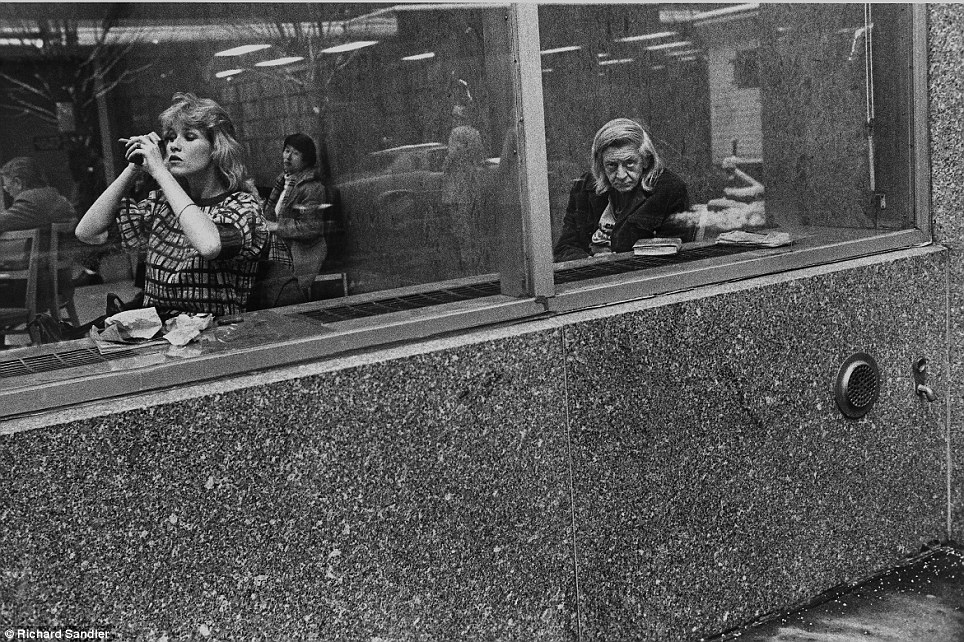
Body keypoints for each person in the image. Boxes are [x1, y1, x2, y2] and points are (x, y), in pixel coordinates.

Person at [75, 92, 267, 317]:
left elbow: (210, 246)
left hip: (216, 334)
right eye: (170, 137)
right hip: (158, 333)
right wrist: (133, 168)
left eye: (189, 136)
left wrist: (159, 171)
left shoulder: (243, 206)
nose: (174, 146)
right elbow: (86, 232)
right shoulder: (162, 204)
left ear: (217, 148)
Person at [553, 118, 690, 262]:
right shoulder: (584, 187)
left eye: (629, 163)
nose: (621, 175)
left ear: (645, 160)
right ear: (600, 165)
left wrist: (615, 263)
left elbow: (669, 257)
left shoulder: (669, 190)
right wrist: (592, 261)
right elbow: (564, 248)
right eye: (611, 165)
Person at [0, 157, 78, 324]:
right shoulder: (55, 197)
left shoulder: (31, 202)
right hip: (58, 284)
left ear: (18, 182)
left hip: (36, 290)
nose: (7, 191)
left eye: (7, 187)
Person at [263, 133, 332, 292]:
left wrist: (276, 226)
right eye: (287, 150)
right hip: (282, 248)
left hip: (301, 253)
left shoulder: (312, 187)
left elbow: (310, 227)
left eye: (295, 153)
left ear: (306, 160)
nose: (288, 157)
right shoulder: (283, 181)